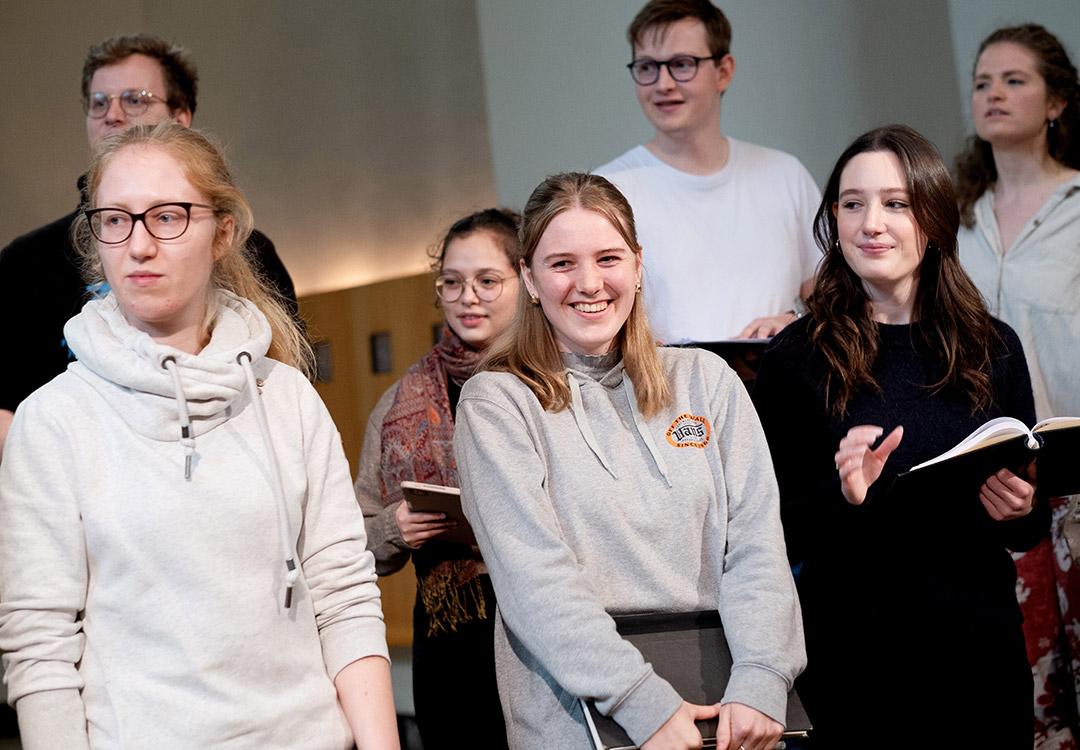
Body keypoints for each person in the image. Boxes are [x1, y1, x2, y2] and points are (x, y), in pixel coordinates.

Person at [0, 122, 398, 750]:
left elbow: (342, 594)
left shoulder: (285, 396)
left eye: (167, 217)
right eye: (116, 220)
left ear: (223, 233)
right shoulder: (54, 419)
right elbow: (39, 645)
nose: (139, 245)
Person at [452, 172, 805, 750]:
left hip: (732, 718)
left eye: (608, 258)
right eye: (562, 263)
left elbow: (756, 547)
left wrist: (763, 678)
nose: (589, 283)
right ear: (529, 280)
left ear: (639, 267)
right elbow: (535, 583)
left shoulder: (707, 383)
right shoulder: (498, 402)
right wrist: (642, 704)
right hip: (576, 722)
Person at [753, 125, 1049, 748]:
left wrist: (1019, 509)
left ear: (933, 217)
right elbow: (770, 531)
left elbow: (1027, 525)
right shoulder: (793, 358)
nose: (871, 223)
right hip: (854, 654)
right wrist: (846, 495)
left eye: (895, 203)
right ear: (833, 220)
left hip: (977, 647)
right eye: (852, 204)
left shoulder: (992, 346)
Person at [0, 33, 297, 459]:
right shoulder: (26, 262)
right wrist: (63, 469)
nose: (112, 115)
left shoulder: (250, 250)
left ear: (180, 117)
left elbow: (275, 390)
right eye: (99, 102)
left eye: (134, 100)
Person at [955, 24, 1080, 746]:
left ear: (1057, 101)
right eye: (981, 82)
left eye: (1013, 80)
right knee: (1028, 701)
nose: (993, 94)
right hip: (993, 480)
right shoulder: (954, 218)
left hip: (1074, 472)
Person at [354, 208, 519, 749]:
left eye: (487, 281)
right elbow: (354, 544)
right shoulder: (399, 401)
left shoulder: (554, 385)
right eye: (452, 282)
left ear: (527, 282)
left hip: (537, 628)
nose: (467, 296)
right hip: (450, 644)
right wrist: (394, 528)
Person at [594, 0, 819, 344]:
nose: (663, 83)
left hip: (775, 391)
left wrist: (799, 322)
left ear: (724, 71)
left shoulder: (785, 176)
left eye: (682, 64)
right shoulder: (608, 191)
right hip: (660, 394)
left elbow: (837, 301)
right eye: (647, 67)